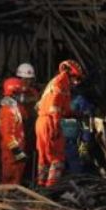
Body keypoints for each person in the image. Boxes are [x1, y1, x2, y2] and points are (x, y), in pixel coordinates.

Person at [36, 59, 84, 188]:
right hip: (50, 121)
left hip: (42, 121)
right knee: (58, 158)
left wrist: (75, 114)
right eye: (77, 78)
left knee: (45, 157)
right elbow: (55, 106)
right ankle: (51, 188)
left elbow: (64, 109)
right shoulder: (61, 82)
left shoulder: (57, 82)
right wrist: (55, 126)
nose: (77, 83)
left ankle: (41, 185)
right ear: (70, 74)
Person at [0, 78, 28, 185]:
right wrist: (17, 151)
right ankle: (7, 200)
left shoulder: (14, 108)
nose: (22, 96)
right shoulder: (7, 111)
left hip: (16, 149)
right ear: (14, 93)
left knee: (17, 177)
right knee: (10, 179)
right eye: (20, 93)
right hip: (11, 152)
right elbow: (7, 134)